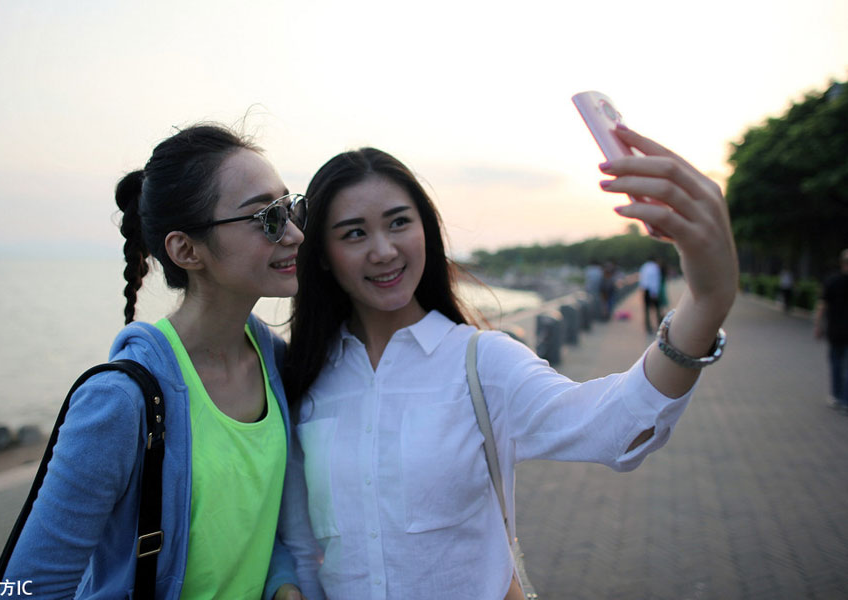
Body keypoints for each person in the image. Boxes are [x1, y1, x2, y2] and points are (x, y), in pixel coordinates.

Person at [281, 124, 739, 599]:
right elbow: (298, 545)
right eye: (354, 233)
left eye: (399, 222)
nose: (383, 250)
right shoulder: (305, 376)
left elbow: (617, 426)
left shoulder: (481, 362)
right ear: (322, 256)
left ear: (426, 231)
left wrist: (706, 302)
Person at [4, 125, 309, 599]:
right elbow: (27, 587)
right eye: (267, 217)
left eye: (290, 208)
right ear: (185, 250)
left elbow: (253, 524)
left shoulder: (276, 362)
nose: (293, 232)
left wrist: (282, 581)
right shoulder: (120, 403)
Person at [814, 249, 848, 411]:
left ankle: (836, 396)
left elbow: (822, 306)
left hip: (836, 330)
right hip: (839, 331)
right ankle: (845, 399)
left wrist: (818, 325)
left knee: (836, 364)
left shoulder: (832, 281)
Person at [639, 255, 663, 332]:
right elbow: (655, 281)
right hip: (653, 291)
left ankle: (648, 326)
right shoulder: (655, 267)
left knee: (646, 310)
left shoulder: (644, 267)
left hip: (645, 290)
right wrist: (654, 293)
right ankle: (659, 325)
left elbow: (642, 279)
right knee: (657, 309)